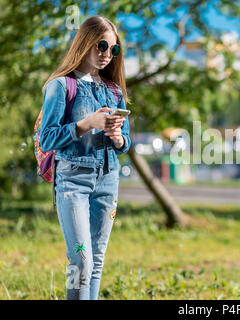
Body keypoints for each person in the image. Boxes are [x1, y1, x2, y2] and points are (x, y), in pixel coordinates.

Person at [40, 15, 131, 300]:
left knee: (97, 259)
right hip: (73, 181)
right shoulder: (61, 85)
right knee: (81, 261)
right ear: (85, 41)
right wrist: (86, 124)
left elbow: (124, 142)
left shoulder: (114, 91)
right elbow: (48, 138)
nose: (106, 54)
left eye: (113, 49)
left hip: (107, 180)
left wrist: (118, 138)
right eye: (101, 46)